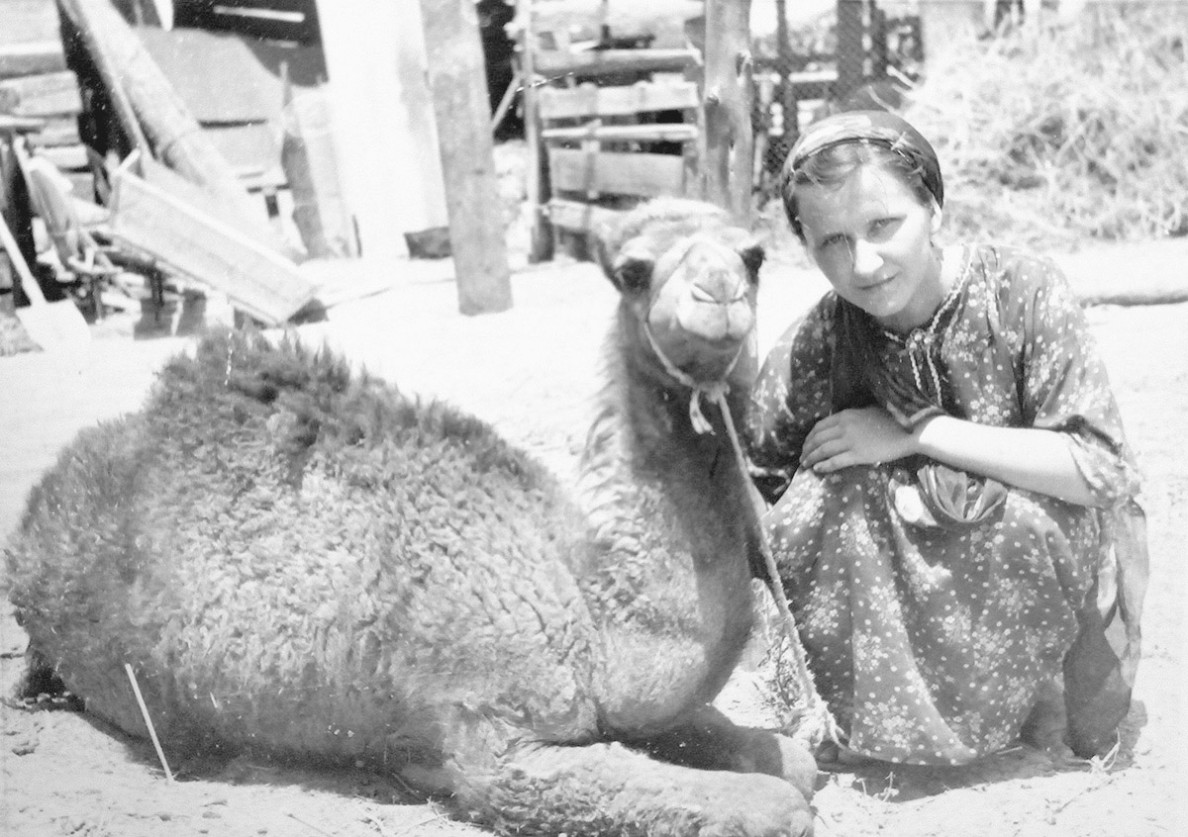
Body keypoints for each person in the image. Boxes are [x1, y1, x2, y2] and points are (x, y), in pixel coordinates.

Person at [745, 110, 1148, 766]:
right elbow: (748, 502)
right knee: (814, 503)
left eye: (884, 225)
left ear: (933, 206)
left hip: (1023, 583)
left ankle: (1028, 707)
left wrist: (920, 432)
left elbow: (1100, 470)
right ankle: (873, 729)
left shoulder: (1020, 292)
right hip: (888, 646)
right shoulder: (818, 342)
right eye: (832, 242)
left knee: (1021, 515)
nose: (864, 263)